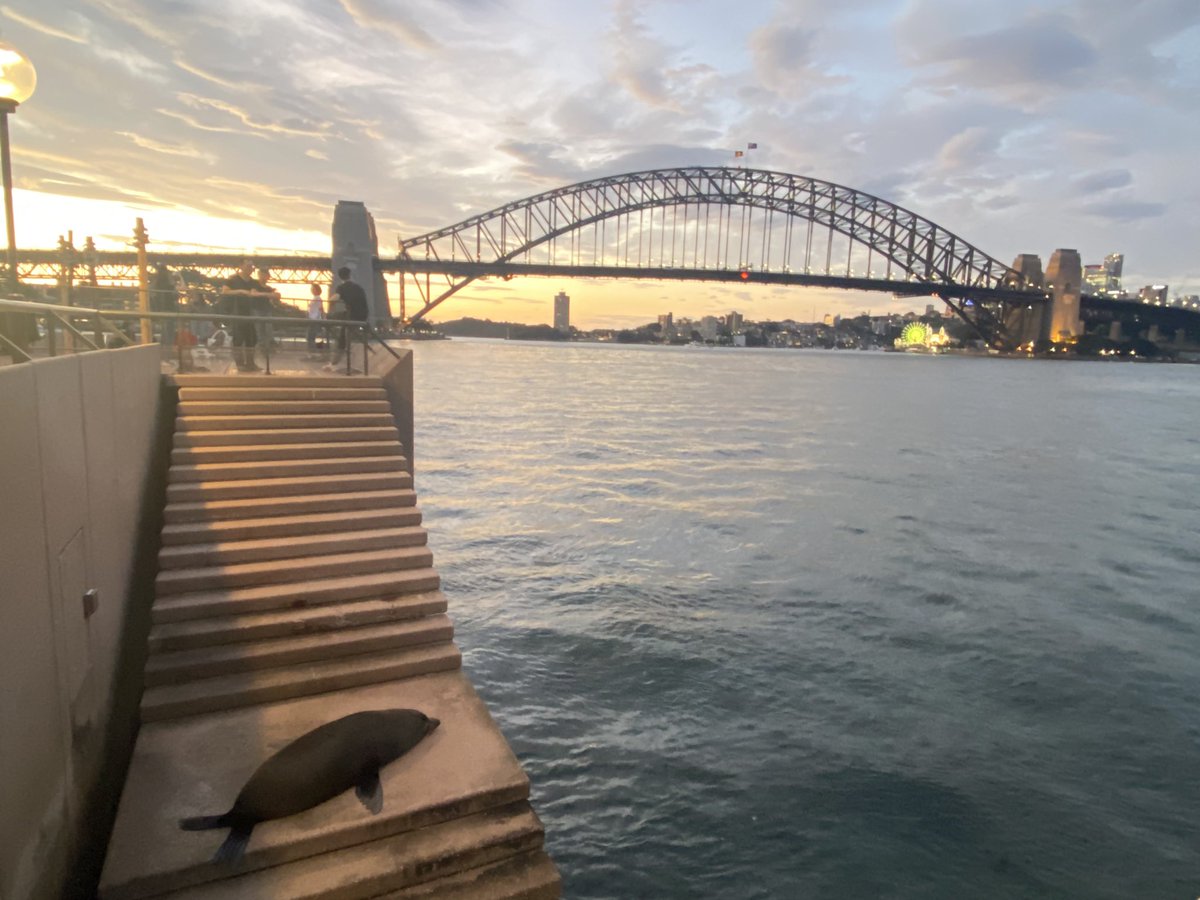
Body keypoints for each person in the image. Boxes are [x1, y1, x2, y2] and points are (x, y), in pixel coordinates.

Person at [222, 260, 275, 372]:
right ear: (241, 266)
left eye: (252, 266)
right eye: (248, 266)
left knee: (252, 339)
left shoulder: (253, 282)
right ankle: (240, 364)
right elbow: (225, 291)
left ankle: (250, 363)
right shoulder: (233, 279)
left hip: (251, 313)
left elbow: (257, 291)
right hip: (237, 312)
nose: (251, 268)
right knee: (238, 339)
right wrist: (240, 291)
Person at [328, 266, 369, 367]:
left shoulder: (341, 288)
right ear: (350, 275)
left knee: (330, 317)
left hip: (352, 315)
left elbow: (333, 299)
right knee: (344, 327)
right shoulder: (359, 287)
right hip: (363, 315)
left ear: (340, 276)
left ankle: (336, 346)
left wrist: (330, 308)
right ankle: (342, 343)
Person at [306, 283, 326, 352]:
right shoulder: (316, 298)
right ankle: (312, 353)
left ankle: (312, 353)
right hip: (313, 319)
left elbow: (321, 309)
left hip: (314, 320)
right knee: (311, 337)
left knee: (310, 337)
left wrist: (323, 318)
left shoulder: (317, 298)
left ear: (317, 290)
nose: (311, 290)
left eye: (313, 288)